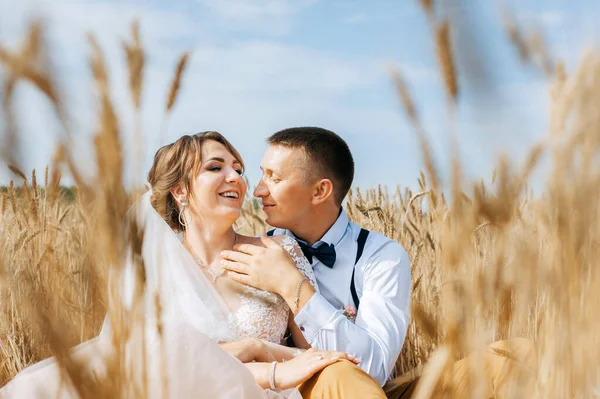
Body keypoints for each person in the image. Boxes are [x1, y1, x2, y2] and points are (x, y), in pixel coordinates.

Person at [0, 131, 358, 398]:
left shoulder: (277, 251)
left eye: (239, 169)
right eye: (215, 168)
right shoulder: (151, 266)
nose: (235, 177)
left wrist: (270, 347)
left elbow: (316, 354)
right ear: (180, 191)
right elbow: (138, 365)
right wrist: (254, 352)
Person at [221, 127, 538, 398]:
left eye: (274, 178)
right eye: (260, 175)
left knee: (515, 354)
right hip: (304, 391)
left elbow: (372, 367)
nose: (258, 190)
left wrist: (292, 285)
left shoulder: (380, 255)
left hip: (372, 391)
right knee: (337, 376)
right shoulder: (258, 250)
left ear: (320, 191)